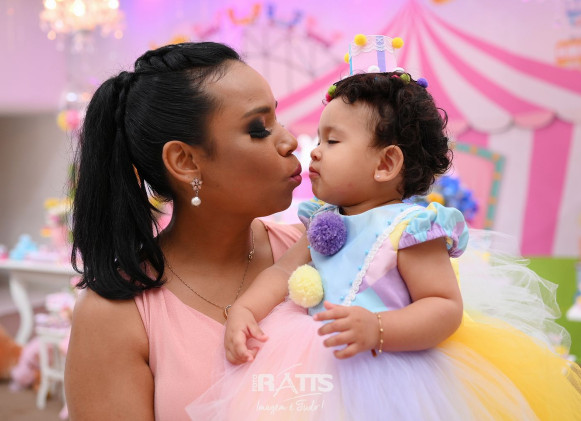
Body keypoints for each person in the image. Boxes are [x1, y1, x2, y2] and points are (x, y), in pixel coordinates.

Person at [186, 70, 581, 420]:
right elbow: (282, 272)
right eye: (320, 138)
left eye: (333, 140)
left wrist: (378, 328)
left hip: (388, 371)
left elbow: (443, 307)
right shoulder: (322, 219)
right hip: (311, 362)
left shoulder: (410, 229)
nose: (315, 150)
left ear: (386, 164)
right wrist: (246, 309)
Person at [64, 42, 306, 420]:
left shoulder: (314, 249)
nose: (290, 141)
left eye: (278, 118)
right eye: (259, 128)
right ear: (185, 161)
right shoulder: (113, 313)